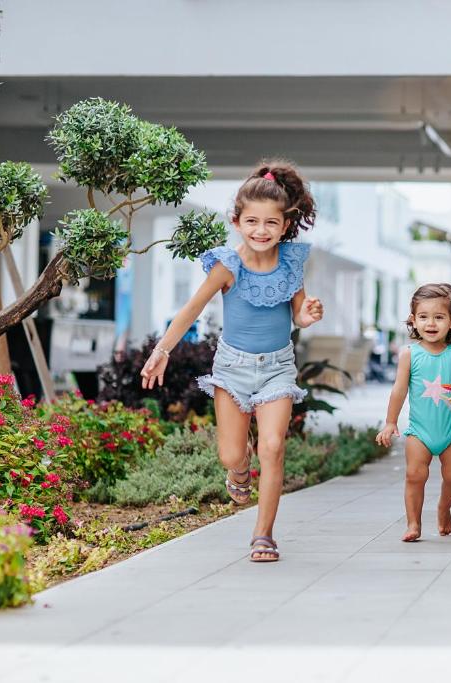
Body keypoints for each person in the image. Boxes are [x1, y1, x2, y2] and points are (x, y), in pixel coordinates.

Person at [140, 160, 323, 562]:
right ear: (237, 221)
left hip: (277, 367)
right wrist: (162, 351)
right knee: (231, 454)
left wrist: (306, 315)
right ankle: (238, 473)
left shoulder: (291, 263)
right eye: (252, 221)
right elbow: (191, 309)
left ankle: (264, 535)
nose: (261, 230)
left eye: (271, 223)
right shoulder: (228, 265)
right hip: (233, 369)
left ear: (285, 225)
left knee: (272, 448)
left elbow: (297, 313)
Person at [376, 284, 451, 542]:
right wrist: (390, 422)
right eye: (423, 317)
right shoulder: (410, 354)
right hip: (419, 431)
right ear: (413, 320)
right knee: (414, 475)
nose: (431, 323)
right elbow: (398, 391)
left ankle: (444, 508)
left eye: (439, 317)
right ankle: (413, 523)